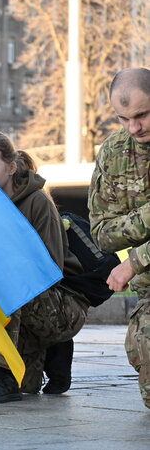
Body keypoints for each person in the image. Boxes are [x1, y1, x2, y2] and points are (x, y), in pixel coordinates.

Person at [0, 131, 89, 403]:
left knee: (10, 278)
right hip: (10, 308)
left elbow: (52, 268)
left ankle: (7, 375)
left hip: (57, 304)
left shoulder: (37, 202)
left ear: (11, 168)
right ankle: (32, 365)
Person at [89, 67, 150, 409]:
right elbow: (103, 234)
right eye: (123, 118)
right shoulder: (114, 152)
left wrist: (134, 262)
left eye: (142, 115)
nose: (133, 128)